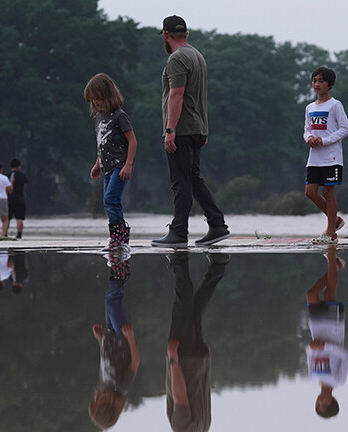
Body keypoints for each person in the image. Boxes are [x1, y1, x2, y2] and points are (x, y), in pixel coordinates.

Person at [152, 15, 229, 249]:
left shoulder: (177, 59)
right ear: (185, 34)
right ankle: (217, 225)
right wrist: (204, 129)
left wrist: (170, 130)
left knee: (181, 182)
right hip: (197, 127)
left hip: (182, 129)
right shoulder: (197, 55)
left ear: (166, 35)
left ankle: (179, 232)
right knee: (194, 179)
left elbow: (177, 95)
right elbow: (200, 96)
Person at [165, 251, 228, 432]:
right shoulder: (182, 429)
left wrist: (206, 362)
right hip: (183, 358)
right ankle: (179, 261)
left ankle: (218, 267)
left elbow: (202, 392)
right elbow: (180, 396)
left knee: (195, 308)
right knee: (183, 305)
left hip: (198, 361)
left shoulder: (204, 428)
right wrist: (173, 360)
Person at [84, 73, 138, 251]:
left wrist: (128, 164)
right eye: (92, 101)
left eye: (98, 99)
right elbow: (103, 143)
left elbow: (132, 141)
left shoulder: (119, 116)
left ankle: (119, 238)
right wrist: (97, 164)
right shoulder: (99, 117)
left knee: (110, 199)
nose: (96, 103)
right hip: (106, 167)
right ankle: (117, 237)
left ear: (108, 95)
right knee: (109, 201)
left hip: (120, 166)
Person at [89, 249, 139, 429]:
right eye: (100, 404)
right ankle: (120, 267)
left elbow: (106, 361)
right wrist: (130, 337)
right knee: (113, 299)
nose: (98, 398)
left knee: (109, 299)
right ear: (109, 406)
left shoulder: (103, 386)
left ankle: (119, 267)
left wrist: (100, 339)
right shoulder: (121, 387)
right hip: (121, 337)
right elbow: (134, 363)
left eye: (96, 402)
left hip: (109, 335)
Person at [303, 67, 348, 245]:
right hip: (314, 157)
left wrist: (324, 141)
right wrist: (309, 139)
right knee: (310, 192)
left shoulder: (335, 105)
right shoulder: (309, 107)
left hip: (331, 157)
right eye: (314, 81)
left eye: (321, 81)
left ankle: (331, 233)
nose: (317, 84)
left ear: (329, 85)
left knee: (328, 191)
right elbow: (307, 129)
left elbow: (345, 129)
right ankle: (335, 220)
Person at [305, 246, 348, 418]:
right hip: (333, 331)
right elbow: (347, 356)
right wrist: (326, 346)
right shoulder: (339, 380)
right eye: (323, 405)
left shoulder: (313, 377)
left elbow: (310, 355)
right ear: (331, 402)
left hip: (317, 330)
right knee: (329, 295)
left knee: (311, 294)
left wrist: (311, 347)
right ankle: (332, 256)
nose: (319, 401)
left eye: (317, 405)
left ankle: (335, 266)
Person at [7, 158, 28, 239]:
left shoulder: (7, 175)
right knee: (19, 218)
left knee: (7, 218)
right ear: (19, 166)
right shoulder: (22, 176)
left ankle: (5, 233)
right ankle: (19, 234)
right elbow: (24, 186)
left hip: (9, 199)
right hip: (20, 199)